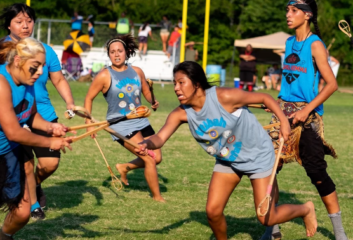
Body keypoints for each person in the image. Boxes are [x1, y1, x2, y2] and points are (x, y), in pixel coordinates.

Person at [135, 61, 317, 239]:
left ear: (197, 83)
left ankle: (305, 209)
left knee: (266, 217)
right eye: (175, 83)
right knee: (213, 212)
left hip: (258, 156)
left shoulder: (225, 97)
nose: (176, 88)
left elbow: (265, 98)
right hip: (228, 160)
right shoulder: (180, 113)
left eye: (181, 82)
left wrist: (284, 122)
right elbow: (159, 138)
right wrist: (146, 143)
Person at [0, 37, 73, 240]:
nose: (41, 72)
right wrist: (50, 142)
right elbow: (14, 133)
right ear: (18, 61)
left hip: (2, 153)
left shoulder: (27, 82)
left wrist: (50, 127)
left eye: (42, 66)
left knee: (22, 212)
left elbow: (30, 114)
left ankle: (4, 236)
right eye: (35, 67)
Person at [0, 3, 75, 220]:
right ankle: (34, 204)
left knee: (50, 163)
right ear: (9, 25)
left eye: (29, 21)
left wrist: (70, 103)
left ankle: (33, 187)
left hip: (41, 114)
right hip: (15, 115)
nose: (25, 26)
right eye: (19, 21)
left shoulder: (44, 50)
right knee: (26, 164)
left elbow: (58, 79)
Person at [260, 1, 347, 240]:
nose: (288, 14)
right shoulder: (288, 43)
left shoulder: (316, 44)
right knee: (267, 169)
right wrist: (275, 102)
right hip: (282, 113)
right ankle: (272, 228)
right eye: (287, 10)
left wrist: (306, 109)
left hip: (306, 118)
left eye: (294, 10)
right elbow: (289, 80)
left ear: (307, 15)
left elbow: (332, 84)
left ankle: (340, 233)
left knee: (317, 172)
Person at [84, 34, 164, 202]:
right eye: (112, 52)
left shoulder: (137, 71)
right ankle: (158, 198)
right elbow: (88, 98)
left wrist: (153, 101)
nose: (116, 54)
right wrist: (88, 122)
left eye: (120, 51)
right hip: (121, 124)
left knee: (157, 157)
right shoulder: (105, 75)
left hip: (141, 119)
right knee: (149, 159)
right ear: (109, 55)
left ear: (127, 52)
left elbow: (146, 91)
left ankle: (124, 167)